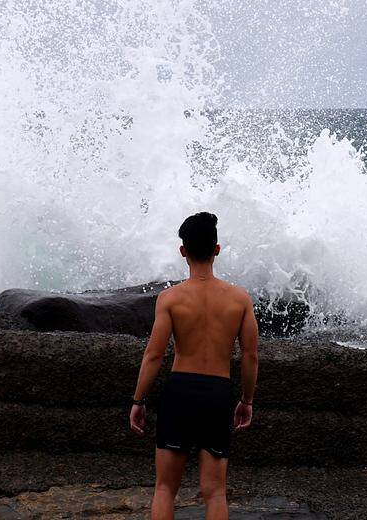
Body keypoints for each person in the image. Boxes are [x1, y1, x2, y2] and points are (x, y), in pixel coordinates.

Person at [129, 211, 259, 520]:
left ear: (183, 251)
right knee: (215, 492)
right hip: (217, 393)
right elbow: (251, 355)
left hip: (180, 391)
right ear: (217, 249)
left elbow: (154, 355)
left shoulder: (171, 299)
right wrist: (247, 399)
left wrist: (138, 400)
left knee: (164, 489)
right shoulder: (239, 299)